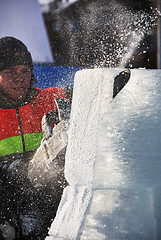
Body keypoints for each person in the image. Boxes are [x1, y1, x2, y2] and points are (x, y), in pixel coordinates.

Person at [0, 36, 70, 240]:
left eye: (24, 71)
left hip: (47, 202)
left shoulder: (46, 100)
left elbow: (86, 94)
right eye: (9, 72)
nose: (20, 78)